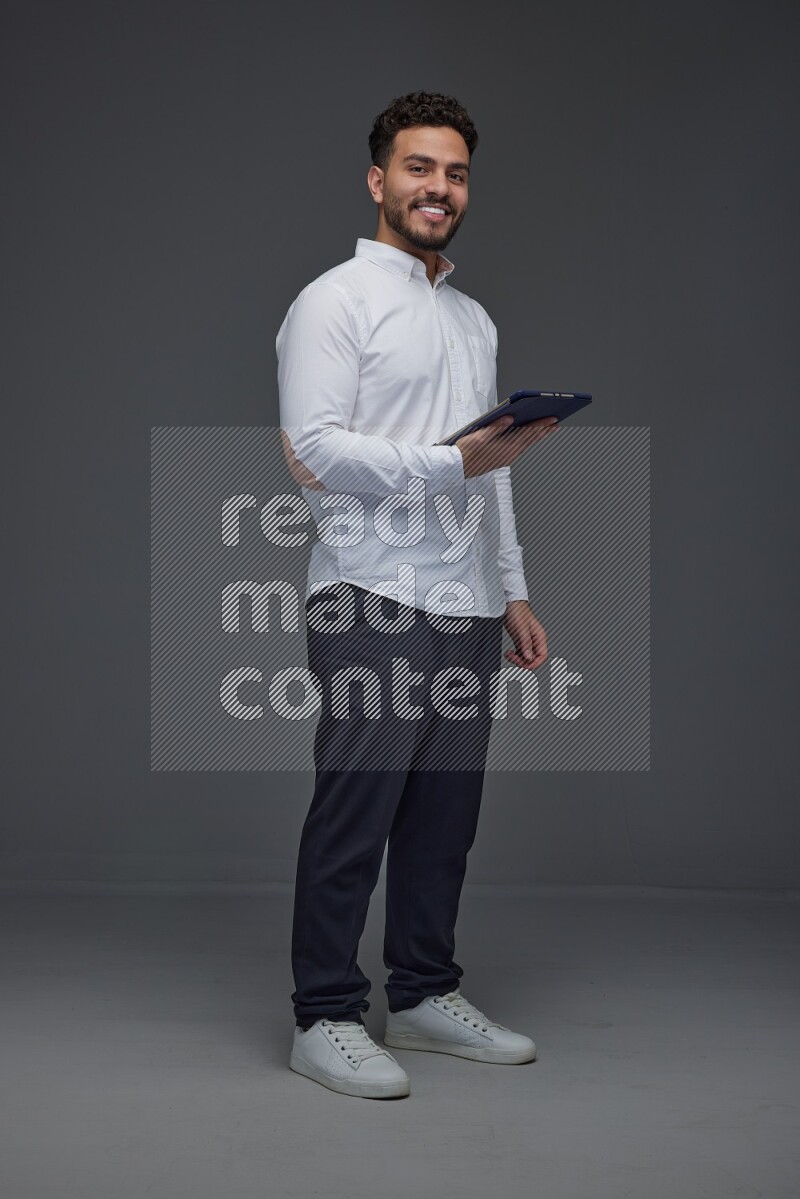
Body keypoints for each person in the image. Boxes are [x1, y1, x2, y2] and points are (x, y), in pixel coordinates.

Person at [276, 90, 558, 1100]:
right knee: (356, 811)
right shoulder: (332, 301)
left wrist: (513, 588)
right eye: (417, 168)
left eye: (454, 172)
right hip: (368, 596)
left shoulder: (470, 317)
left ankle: (425, 992)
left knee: (444, 814)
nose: (437, 187)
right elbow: (312, 451)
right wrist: (450, 461)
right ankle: (323, 1012)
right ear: (377, 179)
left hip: (467, 600)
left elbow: (493, 467)